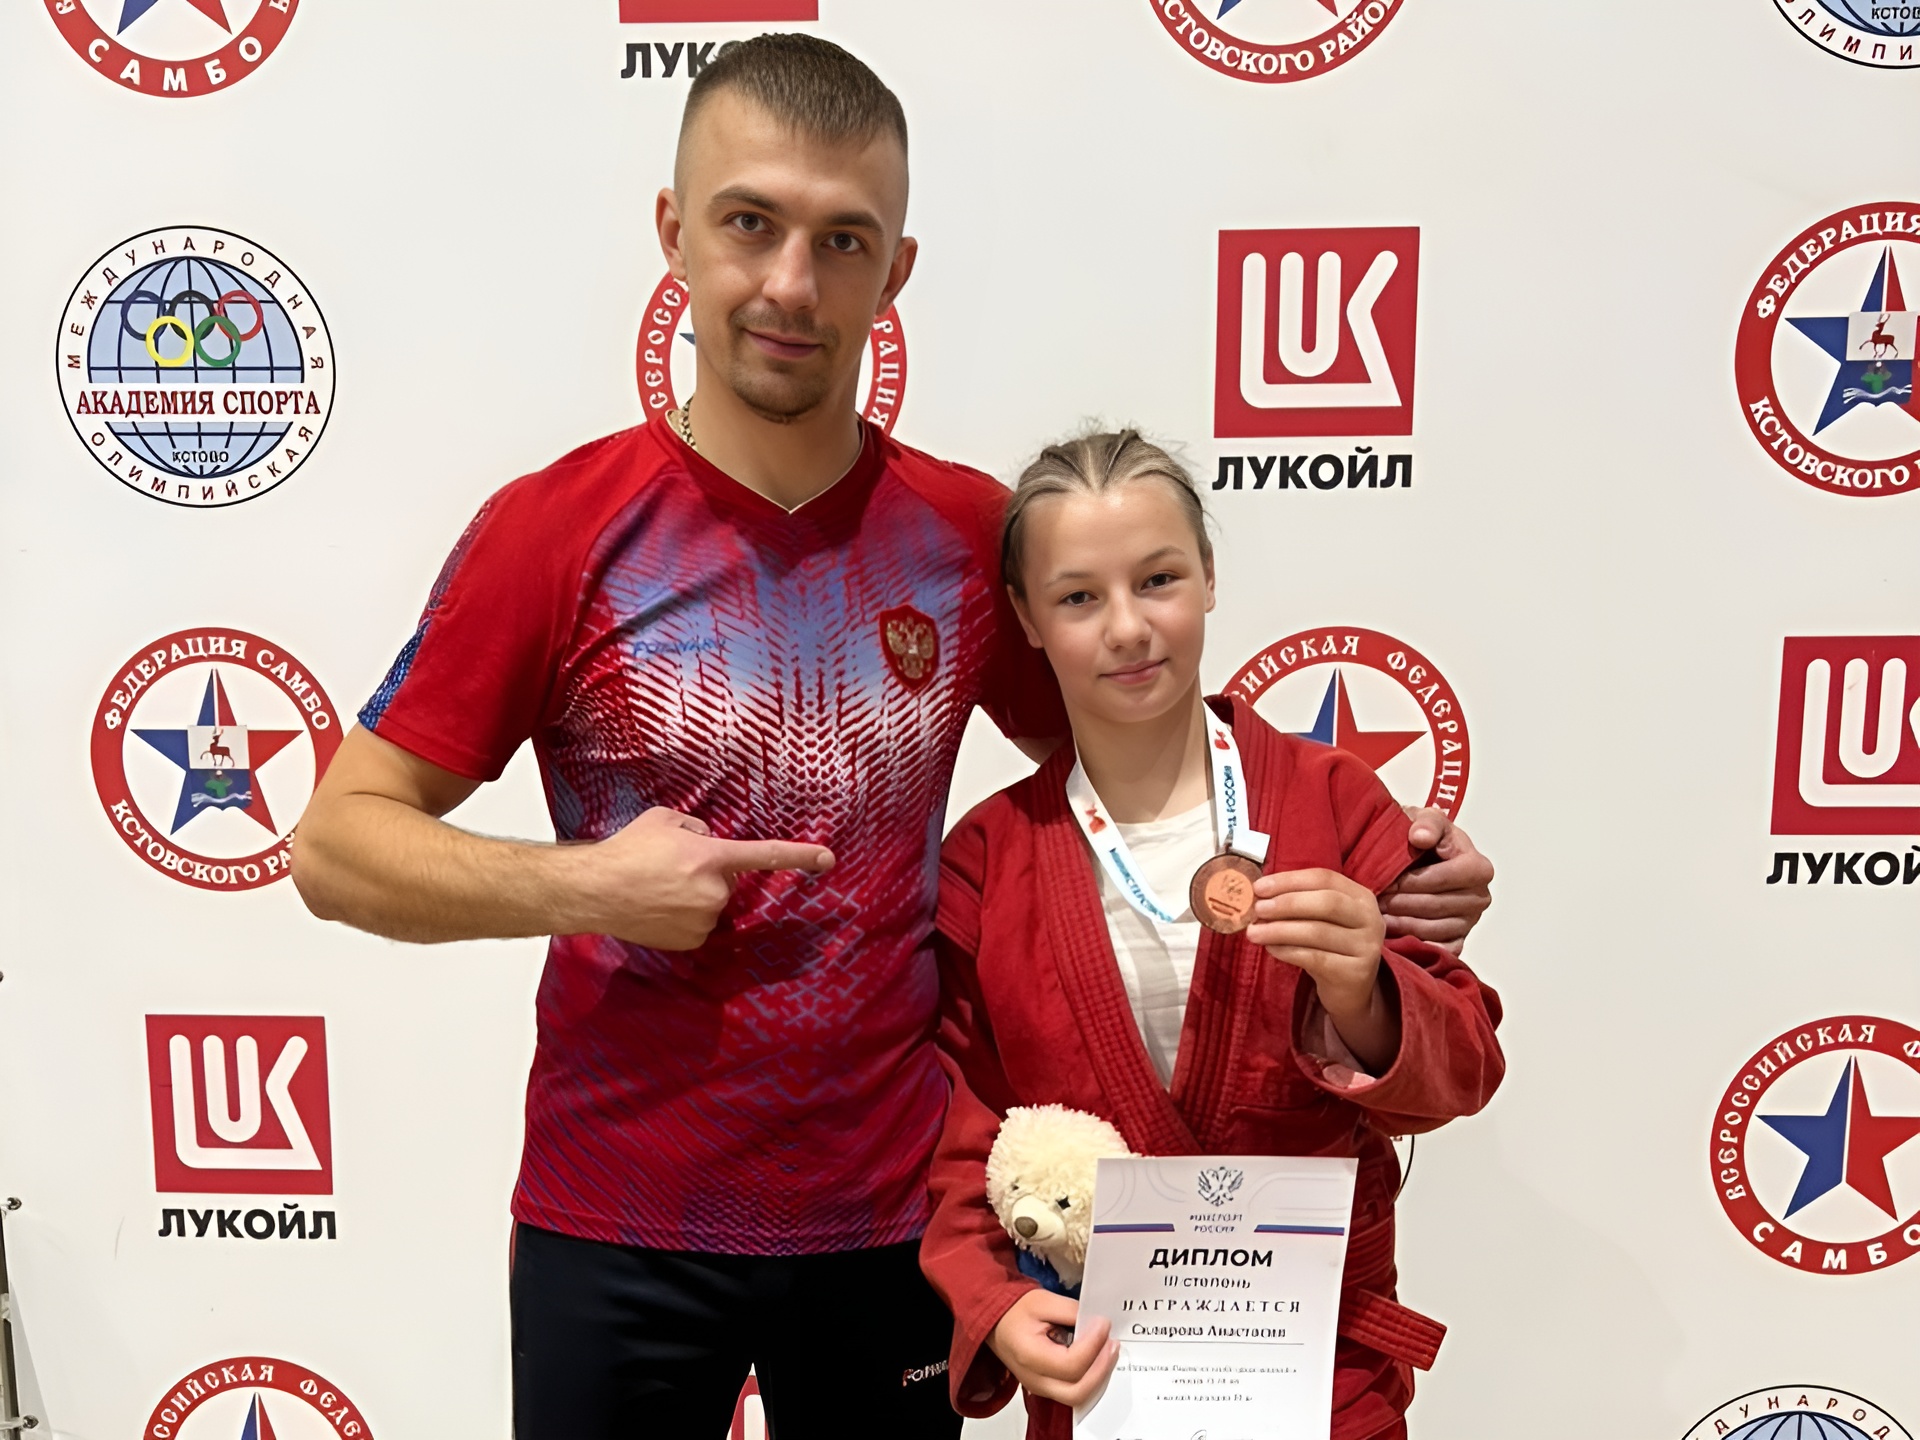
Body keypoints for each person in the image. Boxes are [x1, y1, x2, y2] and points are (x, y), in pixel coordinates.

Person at [289, 35, 1495, 1440]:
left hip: (889, 1218)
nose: (792, 285)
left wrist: (1387, 858)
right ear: (674, 233)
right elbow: (335, 846)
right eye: (750, 224)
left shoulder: (968, 536)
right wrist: (589, 885)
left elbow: (1150, 760)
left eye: (842, 240)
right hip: (616, 1214)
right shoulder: (555, 532)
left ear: (896, 271)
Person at [918, 430, 1506, 1440]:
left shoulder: (1333, 801)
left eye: (1158, 580)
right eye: (1078, 597)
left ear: (1209, 576)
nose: (1128, 628)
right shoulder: (989, 856)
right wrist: (993, 1300)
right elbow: (960, 1126)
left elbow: (1464, 1069)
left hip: (1319, 1376)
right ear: (1026, 618)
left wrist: (1365, 994)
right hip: (1105, 1373)